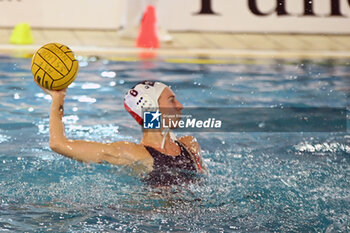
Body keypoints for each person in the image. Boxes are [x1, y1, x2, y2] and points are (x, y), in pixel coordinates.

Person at [34, 79, 206, 186]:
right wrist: (58, 98)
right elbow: (59, 144)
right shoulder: (133, 154)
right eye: (171, 100)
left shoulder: (190, 145)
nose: (180, 105)